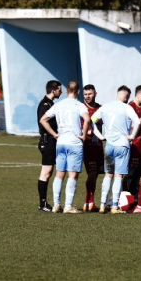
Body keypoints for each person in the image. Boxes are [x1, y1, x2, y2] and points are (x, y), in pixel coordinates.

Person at [91, 85, 141, 214]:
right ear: (125, 95)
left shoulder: (105, 106)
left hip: (109, 145)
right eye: (127, 96)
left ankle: (102, 204)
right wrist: (132, 136)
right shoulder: (127, 107)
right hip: (122, 145)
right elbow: (138, 122)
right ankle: (114, 206)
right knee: (118, 176)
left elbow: (92, 120)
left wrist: (100, 135)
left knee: (108, 175)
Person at [39, 80, 91, 214]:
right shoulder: (79, 105)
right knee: (72, 175)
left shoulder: (58, 105)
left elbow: (43, 119)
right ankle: (68, 206)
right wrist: (84, 135)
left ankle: (56, 205)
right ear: (78, 92)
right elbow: (87, 119)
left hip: (61, 142)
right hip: (74, 143)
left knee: (59, 174)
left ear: (67, 91)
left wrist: (55, 134)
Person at [36, 80, 62, 212]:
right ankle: (42, 203)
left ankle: (45, 203)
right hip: (48, 141)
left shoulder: (51, 103)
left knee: (49, 172)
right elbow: (43, 122)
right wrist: (55, 134)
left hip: (51, 141)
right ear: (53, 90)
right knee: (45, 173)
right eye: (59, 89)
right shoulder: (45, 105)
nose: (61, 92)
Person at [81, 84, 104, 212]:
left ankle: (91, 202)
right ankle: (87, 202)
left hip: (98, 146)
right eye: (85, 94)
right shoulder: (81, 108)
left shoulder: (100, 109)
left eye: (90, 94)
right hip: (86, 146)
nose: (87, 96)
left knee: (95, 175)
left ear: (95, 93)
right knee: (91, 173)